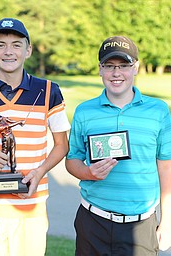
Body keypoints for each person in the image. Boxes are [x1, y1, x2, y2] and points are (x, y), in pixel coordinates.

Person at [0, 18, 71, 256]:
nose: (9, 51)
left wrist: (40, 172)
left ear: (28, 50)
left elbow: (61, 145)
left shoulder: (49, 91)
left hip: (30, 204)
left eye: (16, 45)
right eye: (0, 45)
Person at [65, 36, 171, 255]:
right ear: (100, 69)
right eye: (109, 66)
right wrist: (88, 172)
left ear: (136, 68)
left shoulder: (158, 111)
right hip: (93, 221)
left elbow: (166, 167)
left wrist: (167, 222)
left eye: (124, 66)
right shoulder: (85, 111)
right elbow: (72, 159)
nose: (116, 73)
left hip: (141, 226)